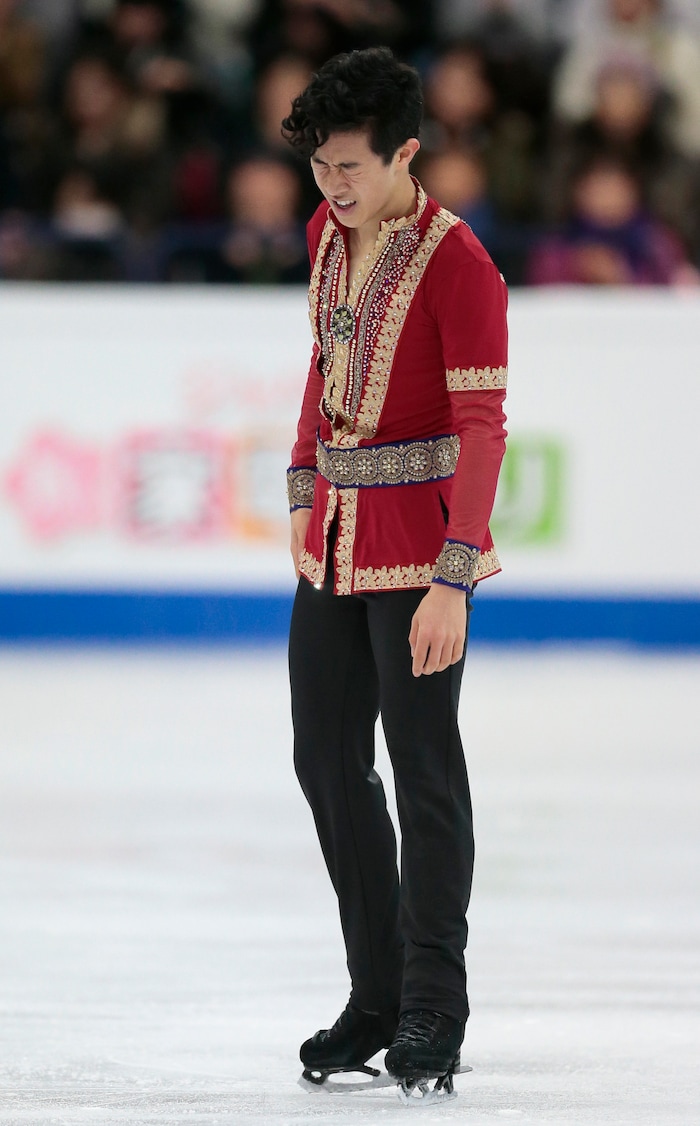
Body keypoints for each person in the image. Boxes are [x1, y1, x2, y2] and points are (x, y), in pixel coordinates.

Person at [282, 45, 508, 1097]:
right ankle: (374, 994)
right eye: (320, 167)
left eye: (350, 168)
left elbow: (479, 422)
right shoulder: (327, 233)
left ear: (405, 154)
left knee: (423, 773)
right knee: (326, 764)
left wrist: (453, 578)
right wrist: (298, 480)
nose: (331, 186)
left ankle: (431, 1007)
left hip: (418, 550)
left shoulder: (459, 263)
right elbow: (322, 363)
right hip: (332, 538)